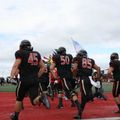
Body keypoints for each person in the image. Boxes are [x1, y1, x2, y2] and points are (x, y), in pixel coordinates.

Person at [10, 40, 47, 120]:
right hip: (34, 80)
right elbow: (43, 67)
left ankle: (15, 117)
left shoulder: (20, 53)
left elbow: (16, 65)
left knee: (19, 99)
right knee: (34, 101)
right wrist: (37, 76)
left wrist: (11, 76)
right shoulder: (37, 54)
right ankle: (41, 98)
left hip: (24, 80)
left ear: (22, 46)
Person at [50, 47, 81, 118]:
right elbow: (73, 67)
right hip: (70, 76)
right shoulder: (69, 56)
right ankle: (62, 103)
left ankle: (79, 107)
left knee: (69, 91)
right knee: (64, 90)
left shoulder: (56, 57)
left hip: (63, 77)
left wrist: (55, 76)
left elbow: (51, 68)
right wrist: (73, 75)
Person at [72, 49, 101, 119]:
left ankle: (97, 94)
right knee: (83, 98)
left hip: (83, 79)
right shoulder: (91, 60)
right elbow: (98, 68)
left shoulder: (77, 59)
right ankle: (79, 114)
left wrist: (74, 76)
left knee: (85, 98)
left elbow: (75, 68)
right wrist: (98, 78)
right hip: (90, 79)